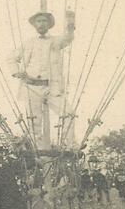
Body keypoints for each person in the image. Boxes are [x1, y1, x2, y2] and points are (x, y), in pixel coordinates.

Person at [8, 9, 76, 148]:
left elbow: (68, 38)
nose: (41, 24)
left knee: (68, 113)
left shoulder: (56, 41)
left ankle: (69, 144)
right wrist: (18, 73)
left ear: (49, 24)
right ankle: (38, 152)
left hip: (51, 87)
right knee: (34, 122)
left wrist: (70, 23)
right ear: (34, 24)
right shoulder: (28, 43)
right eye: (38, 21)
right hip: (32, 86)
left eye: (44, 21)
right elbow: (11, 59)